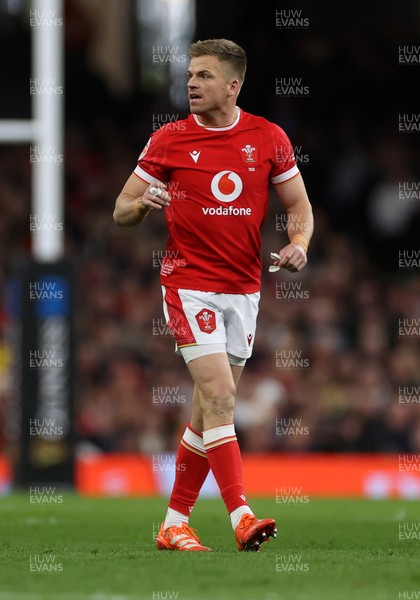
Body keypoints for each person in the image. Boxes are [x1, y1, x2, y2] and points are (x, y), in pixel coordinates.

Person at [113, 38, 313, 552]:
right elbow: (121, 210)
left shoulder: (268, 137)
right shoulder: (169, 140)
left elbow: (298, 205)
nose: (192, 85)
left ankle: (173, 523)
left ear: (233, 85)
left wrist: (298, 243)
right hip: (188, 285)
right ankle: (241, 516)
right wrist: (145, 205)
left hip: (244, 290)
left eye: (203, 76)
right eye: (189, 76)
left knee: (209, 411)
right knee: (222, 398)